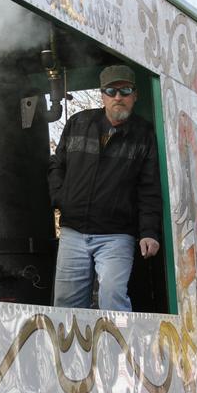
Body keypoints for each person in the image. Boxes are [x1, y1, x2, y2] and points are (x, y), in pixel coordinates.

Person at [49, 65, 162, 311]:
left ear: (135, 95)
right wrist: (61, 198)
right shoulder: (78, 123)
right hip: (73, 232)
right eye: (111, 91)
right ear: (102, 95)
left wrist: (149, 232)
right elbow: (57, 166)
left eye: (125, 90)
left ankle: (121, 350)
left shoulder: (143, 135)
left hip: (116, 235)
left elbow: (149, 188)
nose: (118, 97)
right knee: (66, 307)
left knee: (112, 297)